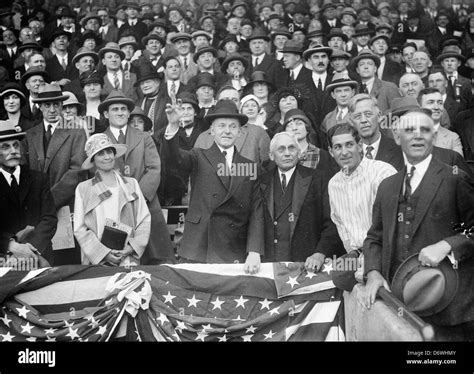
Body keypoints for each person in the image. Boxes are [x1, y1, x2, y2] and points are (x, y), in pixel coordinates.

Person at [360, 106, 474, 341]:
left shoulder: (455, 177)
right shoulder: (388, 185)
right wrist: (372, 272)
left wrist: (447, 245)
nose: (418, 135)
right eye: (410, 130)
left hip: (452, 309)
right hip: (403, 303)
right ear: (397, 136)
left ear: (434, 136)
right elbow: (375, 237)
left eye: (425, 129)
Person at [161, 99, 264, 273]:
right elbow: (173, 160)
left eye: (233, 127)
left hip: (233, 245)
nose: (227, 131)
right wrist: (172, 126)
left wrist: (254, 250)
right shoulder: (198, 156)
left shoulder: (249, 165)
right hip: (200, 244)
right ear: (212, 130)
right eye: (221, 125)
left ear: (240, 132)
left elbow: (256, 209)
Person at [100, 90, 175, 264]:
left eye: (124, 109)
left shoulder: (143, 137)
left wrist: (136, 196)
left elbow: (154, 168)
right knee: (118, 259)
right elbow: (95, 175)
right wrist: (115, 199)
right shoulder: (101, 140)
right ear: (105, 113)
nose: (120, 113)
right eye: (115, 109)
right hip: (114, 207)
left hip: (145, 203)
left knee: (155, 258)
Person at [326, 123, 396, 292]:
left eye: (349, 145)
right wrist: (356, 256)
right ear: (331, 151)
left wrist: (370, 261)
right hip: (358, 253)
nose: (344, 152)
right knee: (338, 274)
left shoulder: (381, 172)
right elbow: (341, 225)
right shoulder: (333, 183)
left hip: (386, 250)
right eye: (338, 147)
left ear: (359, 146)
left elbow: (392, 225)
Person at [22, 83, 87, 265]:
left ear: (61, 106)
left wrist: (49, 199)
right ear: (40, 107)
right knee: (40, 257)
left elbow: (77, 171)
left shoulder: (76, 132)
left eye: (56, 105)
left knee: (64, 259)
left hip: (64, 206)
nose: (52, 109)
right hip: (36, 210)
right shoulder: (29, 135)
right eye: (47, 105)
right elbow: (24, 171)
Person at [260, 130, 344, 267]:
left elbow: (332, 221)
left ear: (299, 153)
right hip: (269, 265)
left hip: (306, 263)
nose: (287, 153)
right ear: (271, 155)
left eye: (291, 148)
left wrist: (320, 253)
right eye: (281, 149)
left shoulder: (318, 179)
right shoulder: (261, 181)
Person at [74, 133, 151, 266]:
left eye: (109, 152)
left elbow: (144, 220)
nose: (107, 157)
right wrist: (103, 254)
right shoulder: (84, 188)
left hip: (127, 258)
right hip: (97, 261)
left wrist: (131, 248)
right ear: (93, 160)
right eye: (101, 154)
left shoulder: (130, 184)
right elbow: (80, 229)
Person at [0, 120, 57, 266]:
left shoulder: (38, 178)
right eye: (5, 147)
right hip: (6, 259)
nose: (13, 151)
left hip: (40, 254)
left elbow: (49, 219)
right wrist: (12, 246)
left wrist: (31, 251)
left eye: (16, 145)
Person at [194, 88, 270, 166]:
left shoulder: (258, 133)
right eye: (224, 100)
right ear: (215, 103)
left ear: (240, 104)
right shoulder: (203, 138)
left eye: (234, 100)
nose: (229, 103)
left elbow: (267, 168)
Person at [283, 108, 338, 175]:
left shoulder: (324, 157)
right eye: (290, 125)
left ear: (307, 129)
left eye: (299, 124)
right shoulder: (280, 157)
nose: (294, 128)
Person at [418, 87, 463, 156]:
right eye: (431, 102)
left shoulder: (452, 138)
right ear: (419, 107)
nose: (436, 107)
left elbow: (458, 165)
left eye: (440, 103)